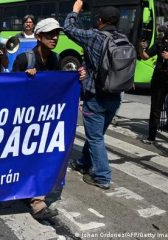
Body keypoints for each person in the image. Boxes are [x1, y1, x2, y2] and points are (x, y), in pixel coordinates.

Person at [13, 18, 86, 220]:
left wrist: (76, 77)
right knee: (24, 157)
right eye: (49, 34)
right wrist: (25, 80)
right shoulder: (23, 59)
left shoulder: (54, 59)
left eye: (57, 34)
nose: (54, 38)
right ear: (38, 36)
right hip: (23, 120)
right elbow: (9, 91)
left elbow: (59, 87)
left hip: (45, 120)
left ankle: (37, 199)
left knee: (41, 156)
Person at [64, 1, 123, 190]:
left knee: (96, 137)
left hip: (96, 96)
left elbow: (68, 28)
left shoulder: (95, 37)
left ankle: (103, 176)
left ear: (100, 21)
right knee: (95, 133)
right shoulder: (123, 39)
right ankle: (83, 162)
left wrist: (75, 10)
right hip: (115, 97)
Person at [138, 22, 168, 144]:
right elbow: (145, 56)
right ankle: (151, 137)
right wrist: (141, 47)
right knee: (155, 108)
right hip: (159, 79)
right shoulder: (160, 42)